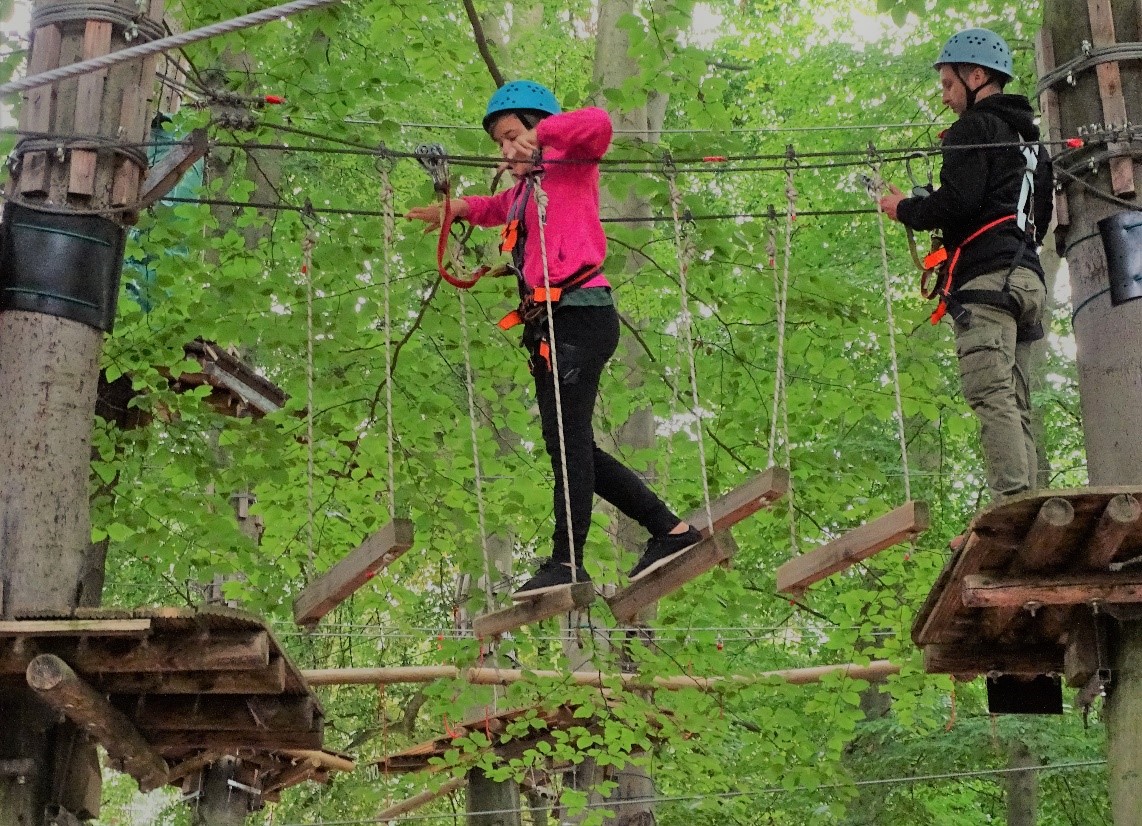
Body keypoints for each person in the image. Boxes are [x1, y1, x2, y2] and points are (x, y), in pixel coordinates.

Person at [407, 80, 700, 599]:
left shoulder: (571, 164)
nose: (506, 149)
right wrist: (459, 210)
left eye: (511, 135)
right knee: (570, 444)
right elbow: (498, 205)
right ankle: (669, 530)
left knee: (566, 443)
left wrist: (541, 136)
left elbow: (599, 125)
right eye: (499, 142)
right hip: (550, 326)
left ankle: (567, 560)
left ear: (538, 129)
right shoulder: (524, 191)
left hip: (581, 315)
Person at [878, 28, 1053, 502]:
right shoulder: (1033, 144)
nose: (946, 97)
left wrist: (906, 209)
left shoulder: (974, 129)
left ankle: (1013, 506)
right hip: (1027, 281)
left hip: (988, 285)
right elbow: (1041, 217)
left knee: (990, 394)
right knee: (1014, 400)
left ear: (976, 76)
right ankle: (1027, 503)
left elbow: (957, 202)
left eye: (949, 85)